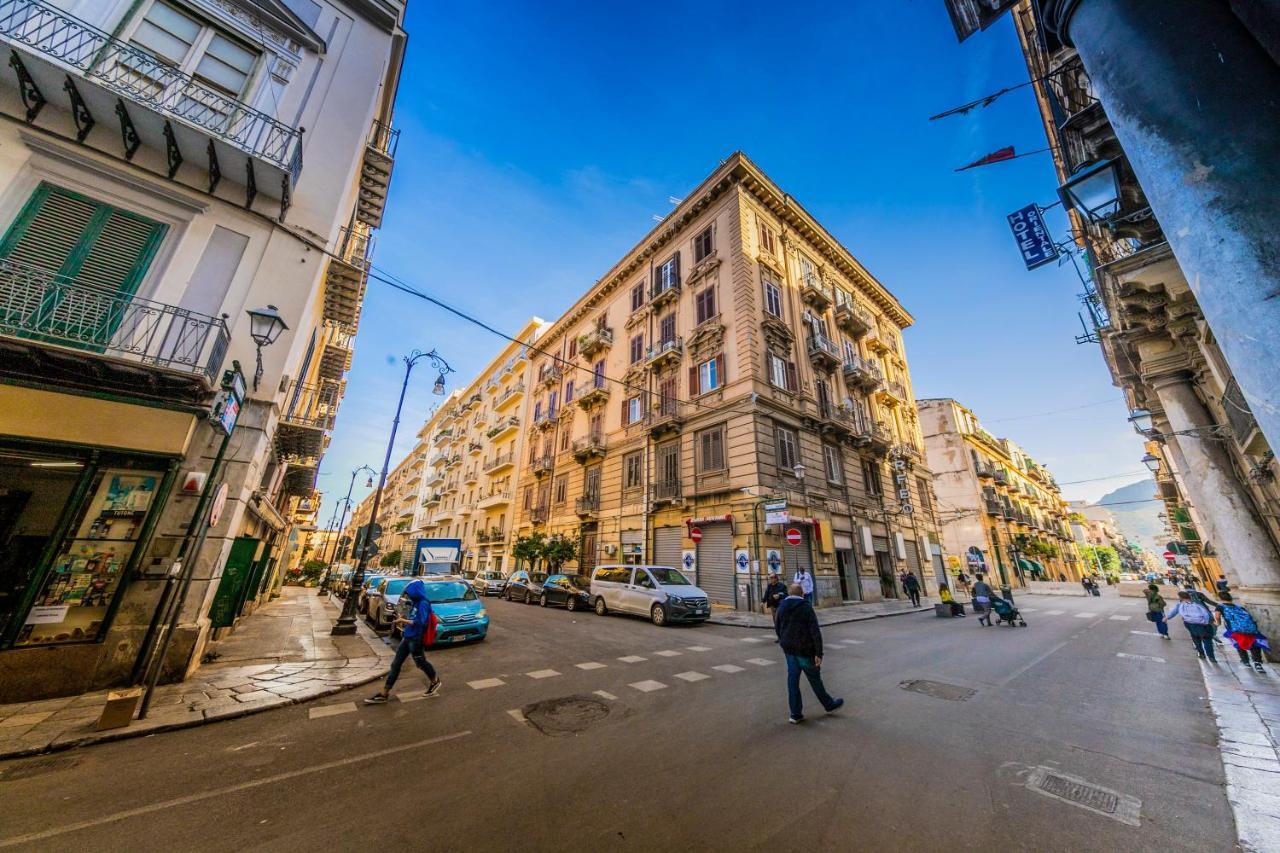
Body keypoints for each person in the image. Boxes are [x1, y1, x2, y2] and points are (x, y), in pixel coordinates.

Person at [775, 583, 843, 724]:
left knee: (792, 681)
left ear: (789, 593)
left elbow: (778, 627)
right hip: (805, 650)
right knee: (815, 679)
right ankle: (829, 704)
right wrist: (819, 653)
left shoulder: (782, 606)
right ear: (802, 594)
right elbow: (814, 631)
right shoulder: (806, 607)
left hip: (790, 651)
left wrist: (783, 642)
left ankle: (795, 714)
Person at [365, 579, 442, 703]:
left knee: (420, 662)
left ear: (416, 592)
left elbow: (420, 622)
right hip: (408, 636)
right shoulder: (415, 603)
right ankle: (384, 694)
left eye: (410, 592)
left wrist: (403, 621)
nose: (408, 595)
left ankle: (435, 681)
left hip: (416, 638)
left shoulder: (423, 603)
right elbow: (413, 617)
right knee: (396, 664)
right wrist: (404, 618)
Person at [1214, 593, 1270, 673]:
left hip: (1235, 630)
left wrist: (1217, 623)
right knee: (1253, 644)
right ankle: (1258, 664)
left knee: (1239, 644)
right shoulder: (1240, 607)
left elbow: (1217, 617)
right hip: (1249, 629)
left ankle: (1246, 661)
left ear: (1220, 598)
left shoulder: (1220, 607)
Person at [1165, 590, 1218, 662]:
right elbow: (1206, 613)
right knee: (1207, 640)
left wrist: (1167, 618)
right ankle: (1211, 657)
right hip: (1203, 624)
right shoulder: (1197, 603)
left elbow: (1174, 612)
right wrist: (1208, 622)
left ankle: (1201, 654)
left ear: (1181, 597)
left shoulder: (1180, 604)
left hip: (1189, 623)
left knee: (1196, 638)